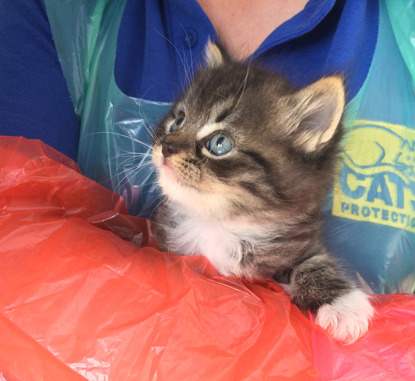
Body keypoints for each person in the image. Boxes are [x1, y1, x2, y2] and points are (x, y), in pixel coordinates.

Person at [0, 0, 414, 294]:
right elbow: (18, 251)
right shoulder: (62, 13)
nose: (171, 147)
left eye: (217, 142)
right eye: (178, 121)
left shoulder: (403, 30)